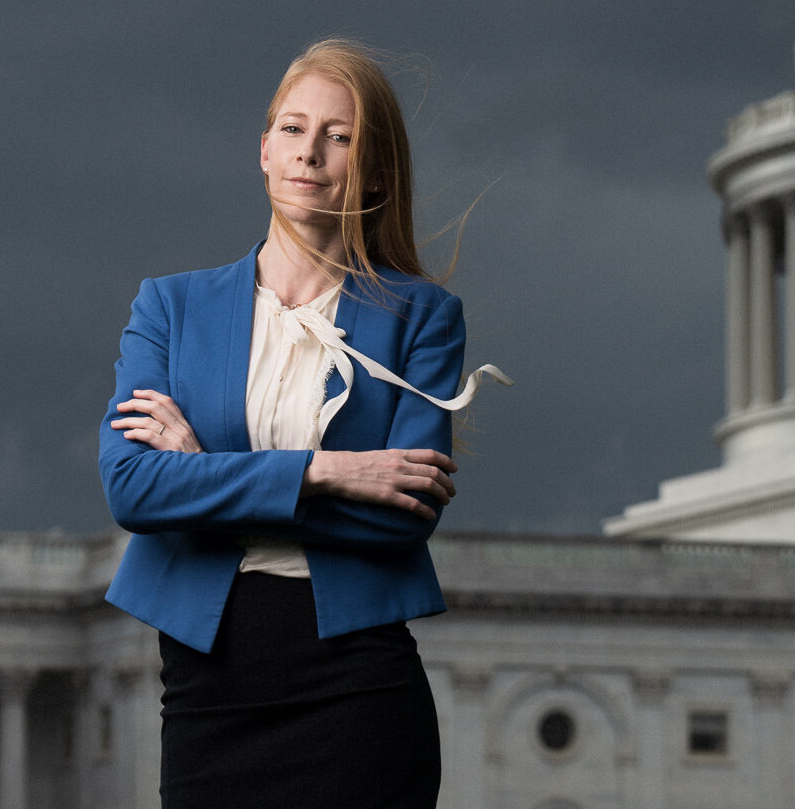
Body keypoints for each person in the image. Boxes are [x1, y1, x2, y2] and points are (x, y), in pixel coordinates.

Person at [98, 39, 508, 807]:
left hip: (357, 687)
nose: (310, 154)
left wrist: (204, 481)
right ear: (262, 149)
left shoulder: (422, 317)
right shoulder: (170, 306)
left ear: (374, 170)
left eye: (340, 137)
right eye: (292, 129)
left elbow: (402, 521)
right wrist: (329, 472)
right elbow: (133, 491)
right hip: (207, 686)